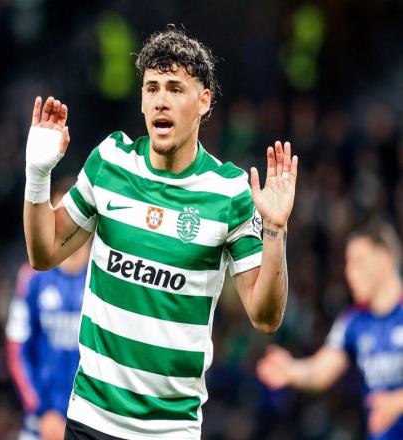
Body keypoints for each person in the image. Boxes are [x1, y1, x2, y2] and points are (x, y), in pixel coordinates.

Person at [23, 27, 298, 440]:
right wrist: (37, 174)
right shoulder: (110, 163)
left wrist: (275, 230)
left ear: (203, 101)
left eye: (175, 88)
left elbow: (266, 316)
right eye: (152, 88)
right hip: (90, 420)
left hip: (170, 429)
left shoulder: (229, 193)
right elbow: (43, 253)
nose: (160, 101)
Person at [257, 222, 403, 439]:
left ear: (384, 260)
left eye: (358, 262)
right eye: (347, 264)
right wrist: (290, 370)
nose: (349, 272)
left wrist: (397, 402)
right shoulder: (353, 323)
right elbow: (321, 370)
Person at [6, 181, 91, 440]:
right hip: (41, 424)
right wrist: (42, 410)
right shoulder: (32, 278)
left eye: (73, 212)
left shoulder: (105, 277)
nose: (64, 221)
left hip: (91, 422)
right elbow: (17, 350)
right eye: (57, 212)